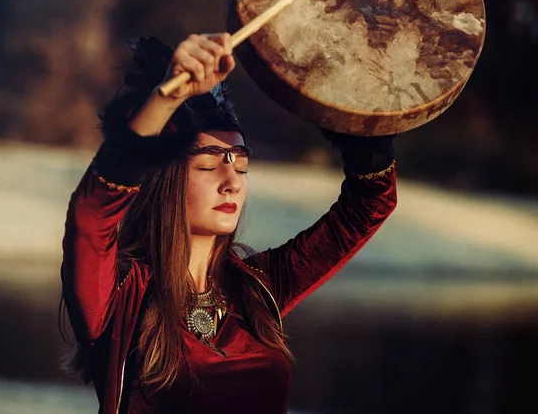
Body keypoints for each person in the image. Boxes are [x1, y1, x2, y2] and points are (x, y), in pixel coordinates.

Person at [60, 32, 397, 414]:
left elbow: (369, 205)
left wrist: (354, 105)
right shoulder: (121, 295)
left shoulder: (257, 287)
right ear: (165, 181)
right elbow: (91, 215)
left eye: (242, 165)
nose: (232, 181)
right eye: (209, 163)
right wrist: (167, 97)